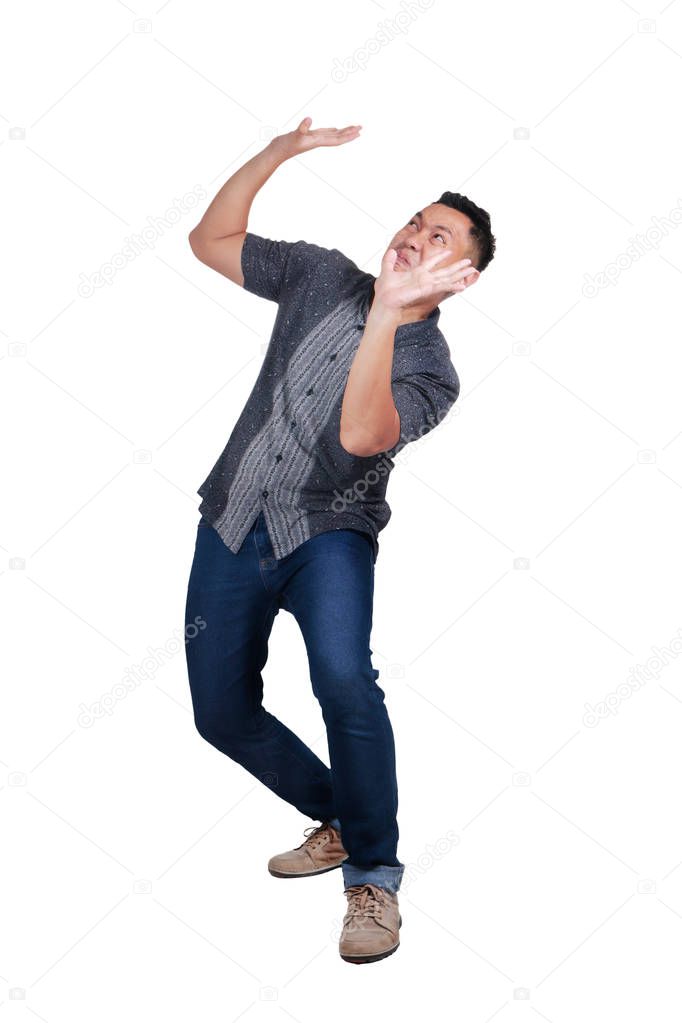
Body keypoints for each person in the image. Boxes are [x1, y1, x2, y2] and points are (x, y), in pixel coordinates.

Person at [184, 117, 496, 964]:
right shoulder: (321, 274)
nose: (414, 236)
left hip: (330, 533)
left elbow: (360, 437)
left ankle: (374, 877)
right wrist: (276, 154)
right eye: (414, 221)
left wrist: (389, 317)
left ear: (459, 276)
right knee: (219, 714)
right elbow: (210, 239)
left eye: (438, 238)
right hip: (232, 516)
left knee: (344, 679)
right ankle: (339, 813)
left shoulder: (433, 370)